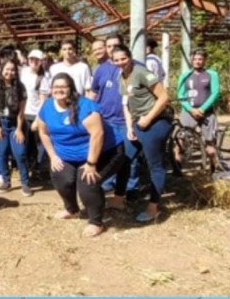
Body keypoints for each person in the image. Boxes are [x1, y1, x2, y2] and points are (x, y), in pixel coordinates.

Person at [38, 73, 126, 237]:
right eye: (56, 87)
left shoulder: (86, 106)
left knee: (87, 183)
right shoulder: (47, 107)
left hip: (105, 152)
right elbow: (43, 132)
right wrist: (53, 156)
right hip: (67, 155)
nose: (59, 90)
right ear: (51, 90)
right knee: (60, 177)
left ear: (71, 88)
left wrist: (91, 164)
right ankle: (71, 210)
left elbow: (97, 135)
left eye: (63, 86)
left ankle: (96, 222)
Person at [112, 45, 172, 222]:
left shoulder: (141, 72)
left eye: (123, 58)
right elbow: (126, 105)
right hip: (138, 124)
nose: (120, 63)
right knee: (124, 159)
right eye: (116, 60)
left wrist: (148, 118)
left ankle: (154, 207)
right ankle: (118, 199)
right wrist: (130, 127)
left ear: (130, 57)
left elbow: (164, 97)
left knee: (155, 165)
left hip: (156, 122)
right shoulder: (121, 77)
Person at [89, 35, 141, 200]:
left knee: (130, 158)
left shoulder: (137, 67)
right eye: (109, 46)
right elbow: (93, 93)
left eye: (115, 45)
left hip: (128, 122)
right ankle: (107, 186)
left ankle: (131, 189)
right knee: (108, 156)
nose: (112, 49)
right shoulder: (102, 69)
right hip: (106, 121)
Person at [0, 59, 31, 195]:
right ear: (2, 70)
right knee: (2, 152)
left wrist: (19, 129)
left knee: (20, 153)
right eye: (7, 69)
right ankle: (6, 181)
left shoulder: (20, 87)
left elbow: (21, 111)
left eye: (12, 70)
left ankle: (25, 182)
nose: (9, 72)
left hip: (16, 123)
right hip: (0, 123)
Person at [176, 49, 221, 170]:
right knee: (181, 139)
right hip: (188, 112)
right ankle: (177, 166)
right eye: (195, 59)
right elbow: (180, 95)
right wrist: (190, 109)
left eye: (200, 59)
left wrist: (202, 109)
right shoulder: (185, 75)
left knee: (210, 141)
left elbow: (215, 93)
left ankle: (213, 168)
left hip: (207, 113)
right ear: (191, 60)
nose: (197, 62)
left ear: (205, 60)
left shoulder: (212, 74)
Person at [20, 49, 51, 178]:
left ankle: (36, 169)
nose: (33, 62)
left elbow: (43, 101)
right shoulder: (23, 72)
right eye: (32, 59)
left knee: (37, 145)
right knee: (24, 145)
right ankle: (27, 170)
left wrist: (38, 119)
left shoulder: (43, 78)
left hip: (34, 115)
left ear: (41, 62)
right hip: (22, 113)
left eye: (36, 60)